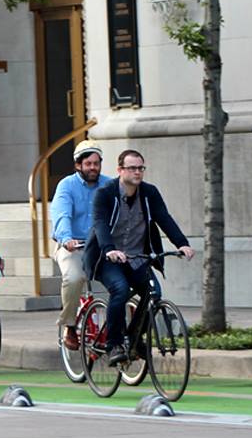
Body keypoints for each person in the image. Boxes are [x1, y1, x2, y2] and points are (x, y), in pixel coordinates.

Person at [84, 149, 194, 367]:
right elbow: (100, 224)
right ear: (120, 170)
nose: (137, 172)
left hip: (137, 258)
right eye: (132, 168)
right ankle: (114, 344)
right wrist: (109, 249)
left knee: (153, 293)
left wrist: (182, 243)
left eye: (140, 168)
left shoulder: (149, 193)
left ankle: (135, 338)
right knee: (120, 289)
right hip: (107, 259)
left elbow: (164, 218)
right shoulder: (105, 194)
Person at [50, 140, 104, 350]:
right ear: (78, 165)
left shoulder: (109, 185)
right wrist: (66, 238)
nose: (93, 167)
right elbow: (61, 214)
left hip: (101, 247)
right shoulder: (66, 185)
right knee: (74, 278)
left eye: (96, 163)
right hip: (74, 245)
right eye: (88, 163)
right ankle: (69, 324)